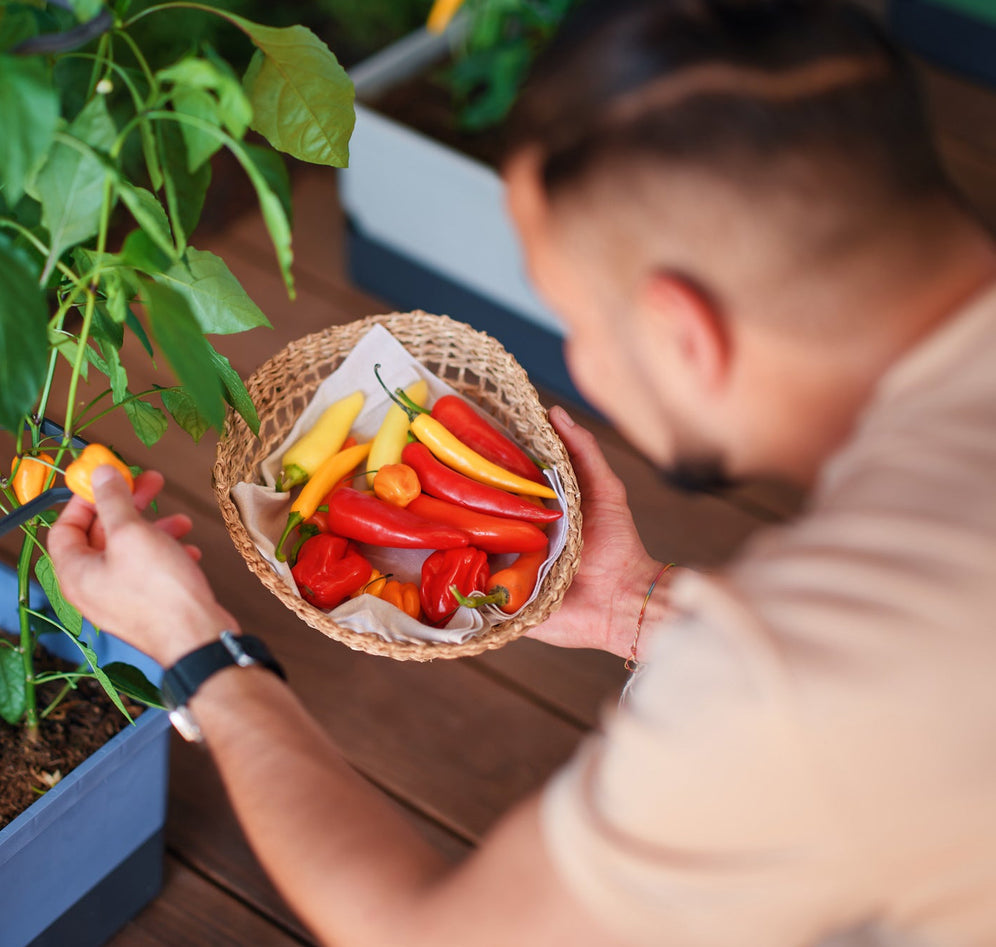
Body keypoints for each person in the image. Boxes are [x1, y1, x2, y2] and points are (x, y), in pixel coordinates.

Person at [48, 0, 996, 943]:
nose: (582, 364)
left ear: (680, 332)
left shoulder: (793, 675)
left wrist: (200, 648)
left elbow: (427, 935)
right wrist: (637, 608)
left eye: (576, 319)